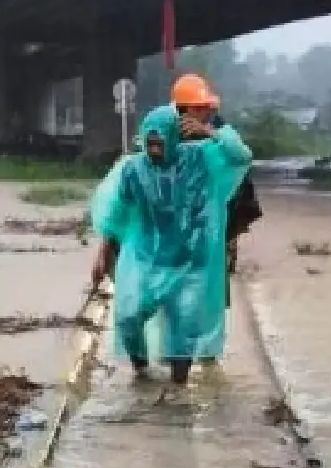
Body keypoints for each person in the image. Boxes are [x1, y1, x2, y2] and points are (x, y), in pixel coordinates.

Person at [88, 76, 253, 386]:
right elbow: (116, 215)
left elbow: (241, 157)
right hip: (145, 257)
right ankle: (141, 372)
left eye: (159, 143)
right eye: (149, 143)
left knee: (184, 324)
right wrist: (103, 254)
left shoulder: (201, 158)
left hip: (191, 258)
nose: (154, 150)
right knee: (128, 315)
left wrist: (211, 133)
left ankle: (179, 389)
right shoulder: (133, 170)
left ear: (172, 138)